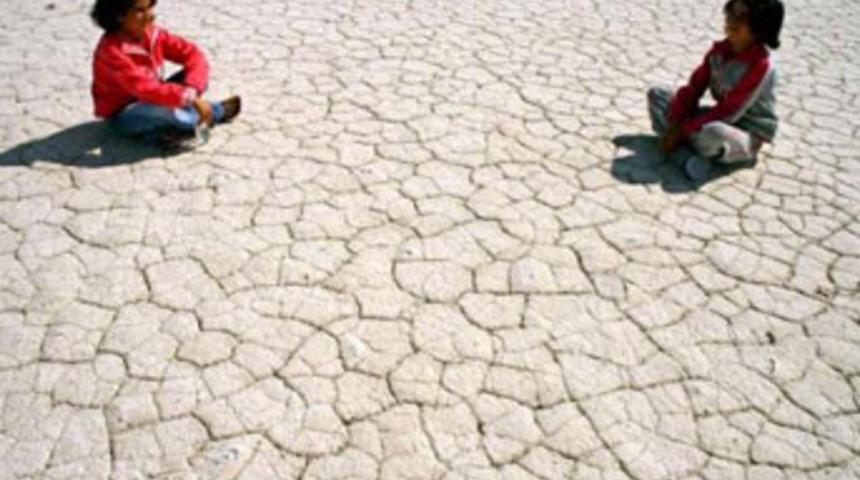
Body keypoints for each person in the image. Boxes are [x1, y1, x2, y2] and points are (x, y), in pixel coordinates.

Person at [647, 0, 784, 180]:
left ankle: (683, 154)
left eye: (741, 20)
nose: (731, 24)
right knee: (658, 94)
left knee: (713, 132)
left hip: (743, 132)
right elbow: (693, 89)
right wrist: (676, 121)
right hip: (715, 117)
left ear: (760, 29)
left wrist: (680, 131)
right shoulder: (719, 52)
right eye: (730, 17)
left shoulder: (761, 65)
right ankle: (688, 154)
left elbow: (730, 111)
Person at [90, 0, 241, 145]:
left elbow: (193, 55)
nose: (151, 15)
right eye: (140, 10)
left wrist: (191, 89)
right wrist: (191, 99)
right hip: (125, 113)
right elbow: (144, 88)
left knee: (194, 76)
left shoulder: (153, 34)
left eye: (150, 7)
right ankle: (216, 112)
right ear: (119, 16)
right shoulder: (112, 52)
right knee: (164, 110)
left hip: (153, 95)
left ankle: (172, 129)